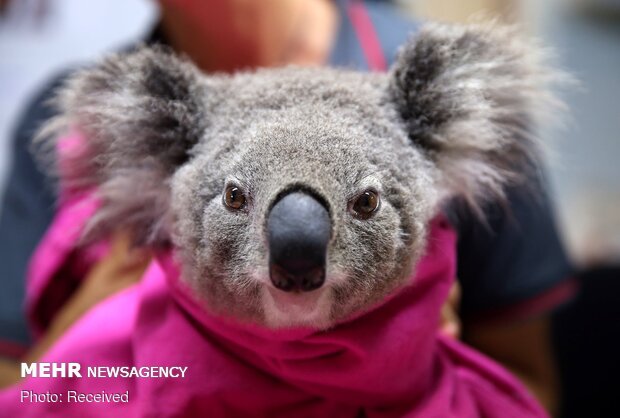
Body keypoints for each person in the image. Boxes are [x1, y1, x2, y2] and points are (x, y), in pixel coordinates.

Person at [0, 0, 574, 413]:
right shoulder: (94, 123)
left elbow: (528, 385)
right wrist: (85, 342)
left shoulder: (434, 89)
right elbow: (14, 388)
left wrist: (407, 354)